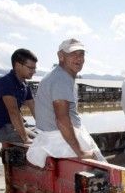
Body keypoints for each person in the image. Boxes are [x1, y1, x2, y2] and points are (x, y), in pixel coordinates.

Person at [26, 38, 105, 168]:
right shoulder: (61, 78)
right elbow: (62, 119)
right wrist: (80, 152)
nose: (78, 58)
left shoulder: (58, 75)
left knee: (98, 157)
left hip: (54, 136)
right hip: (59, 139)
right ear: (61, 56)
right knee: (101, 166)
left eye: (81, 54)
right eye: (73, 54)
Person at [0, 48, 38, 144]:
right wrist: (25, 139)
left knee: (44, 134)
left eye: (34, 68)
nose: (34, 71)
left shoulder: (24, 84)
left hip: (15, 125)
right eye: (30, 68)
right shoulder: (5, 81)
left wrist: (45, 128)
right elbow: (13, 111)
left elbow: (33, 106)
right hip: (2, 129)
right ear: (18, 65)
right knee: (39, 140)